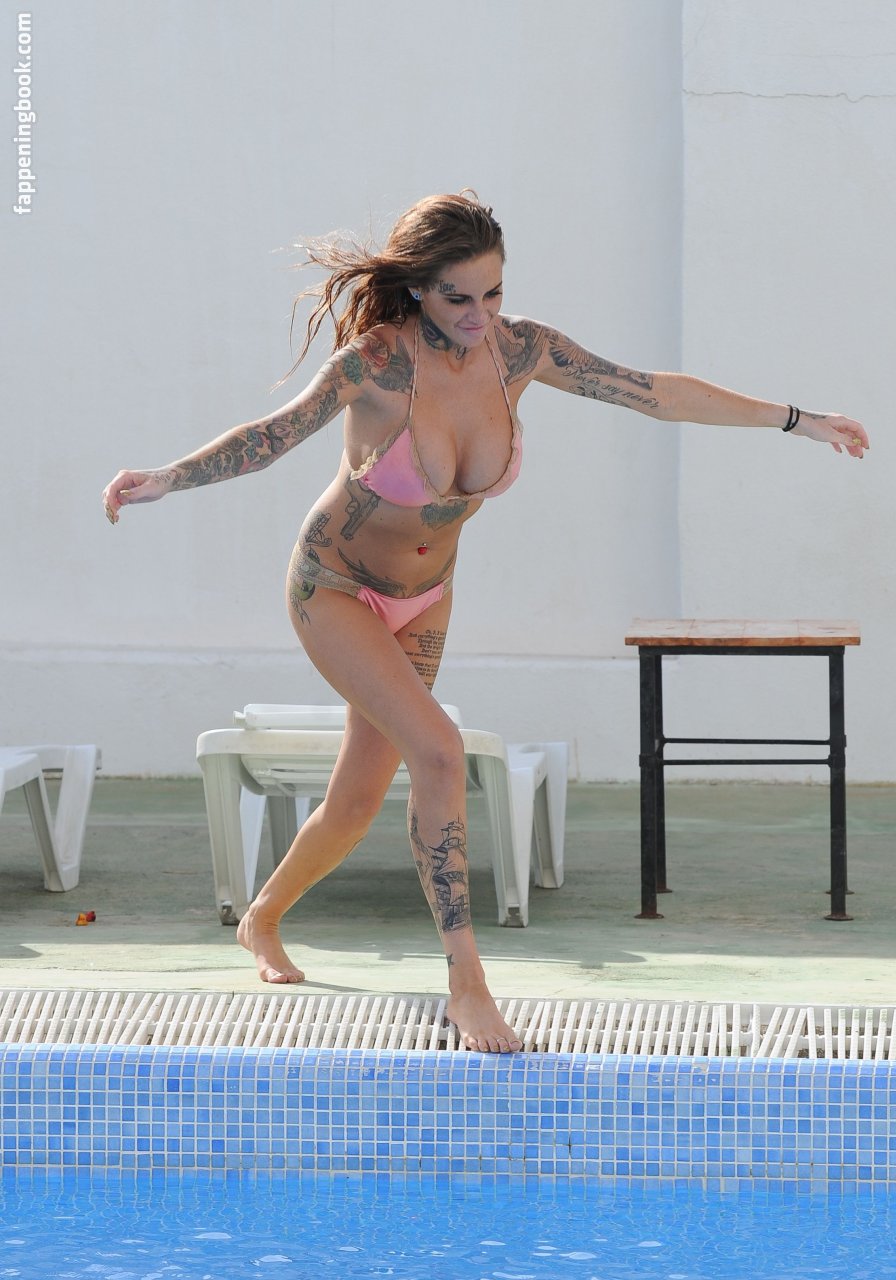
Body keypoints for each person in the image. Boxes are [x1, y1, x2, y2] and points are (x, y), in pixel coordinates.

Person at [101, 191, 869, 1054]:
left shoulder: (520, 351)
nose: (480, 314)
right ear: (418, 289)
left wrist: (798, 421)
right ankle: (467, 985)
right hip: (336, 588)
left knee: (355, 800)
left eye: (493, 292)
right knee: (439, 751)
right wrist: (166, 478)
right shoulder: (376, 365)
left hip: (427, 595)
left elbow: (652, 393)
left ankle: (263, 917)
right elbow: (271, 436)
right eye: (458, 296)